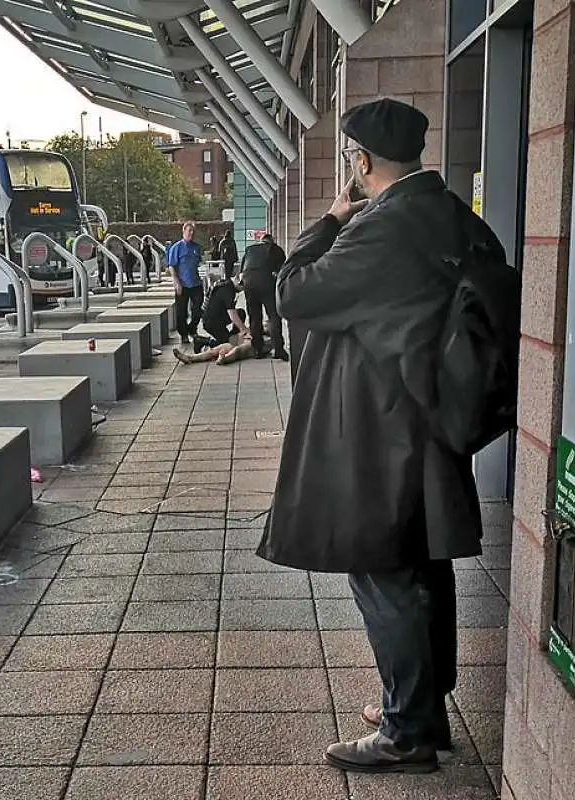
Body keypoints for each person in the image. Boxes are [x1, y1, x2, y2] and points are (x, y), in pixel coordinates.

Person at [256, 98, 507, 775]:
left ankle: (406, 732)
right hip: (435, 421)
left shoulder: (382, 227)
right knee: (425, 566)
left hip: (382, 426)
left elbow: (293, 291)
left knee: (383, 570)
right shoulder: (456, 218)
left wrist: (333, 216)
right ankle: (421, 704)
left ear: (361, 163)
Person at [240, 233, 289, 361]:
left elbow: (242, 269)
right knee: (273, 315)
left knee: (254, 317)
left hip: (248, 282)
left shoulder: (250, 249)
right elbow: (283, 270)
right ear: (271, 241)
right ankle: (278, 349)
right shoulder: (275, 249)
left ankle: (257, 350)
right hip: (266, 282)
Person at [168, 221, 204, 344]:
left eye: (193, 231)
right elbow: (171, 266)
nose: (191, 233)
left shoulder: (196, 247)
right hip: (182, 283)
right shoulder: (176, 248)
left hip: (196, 283)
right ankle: (183, 333)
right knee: (181, 311)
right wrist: (176, 282)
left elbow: (198, 262)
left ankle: (192, 328)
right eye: (189, 231)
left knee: (198, 307)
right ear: (183, 231)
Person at [196, 275, 249, 349]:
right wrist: (244, 330)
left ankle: (232, 336)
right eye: (242, 288)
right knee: (230, 344)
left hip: (219, 317)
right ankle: (203, 341)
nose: (241, 290)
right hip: (211, 323)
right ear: (239, 283)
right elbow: (232, 315)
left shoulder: (227, 284)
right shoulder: (227, 291)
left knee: (241, 313)